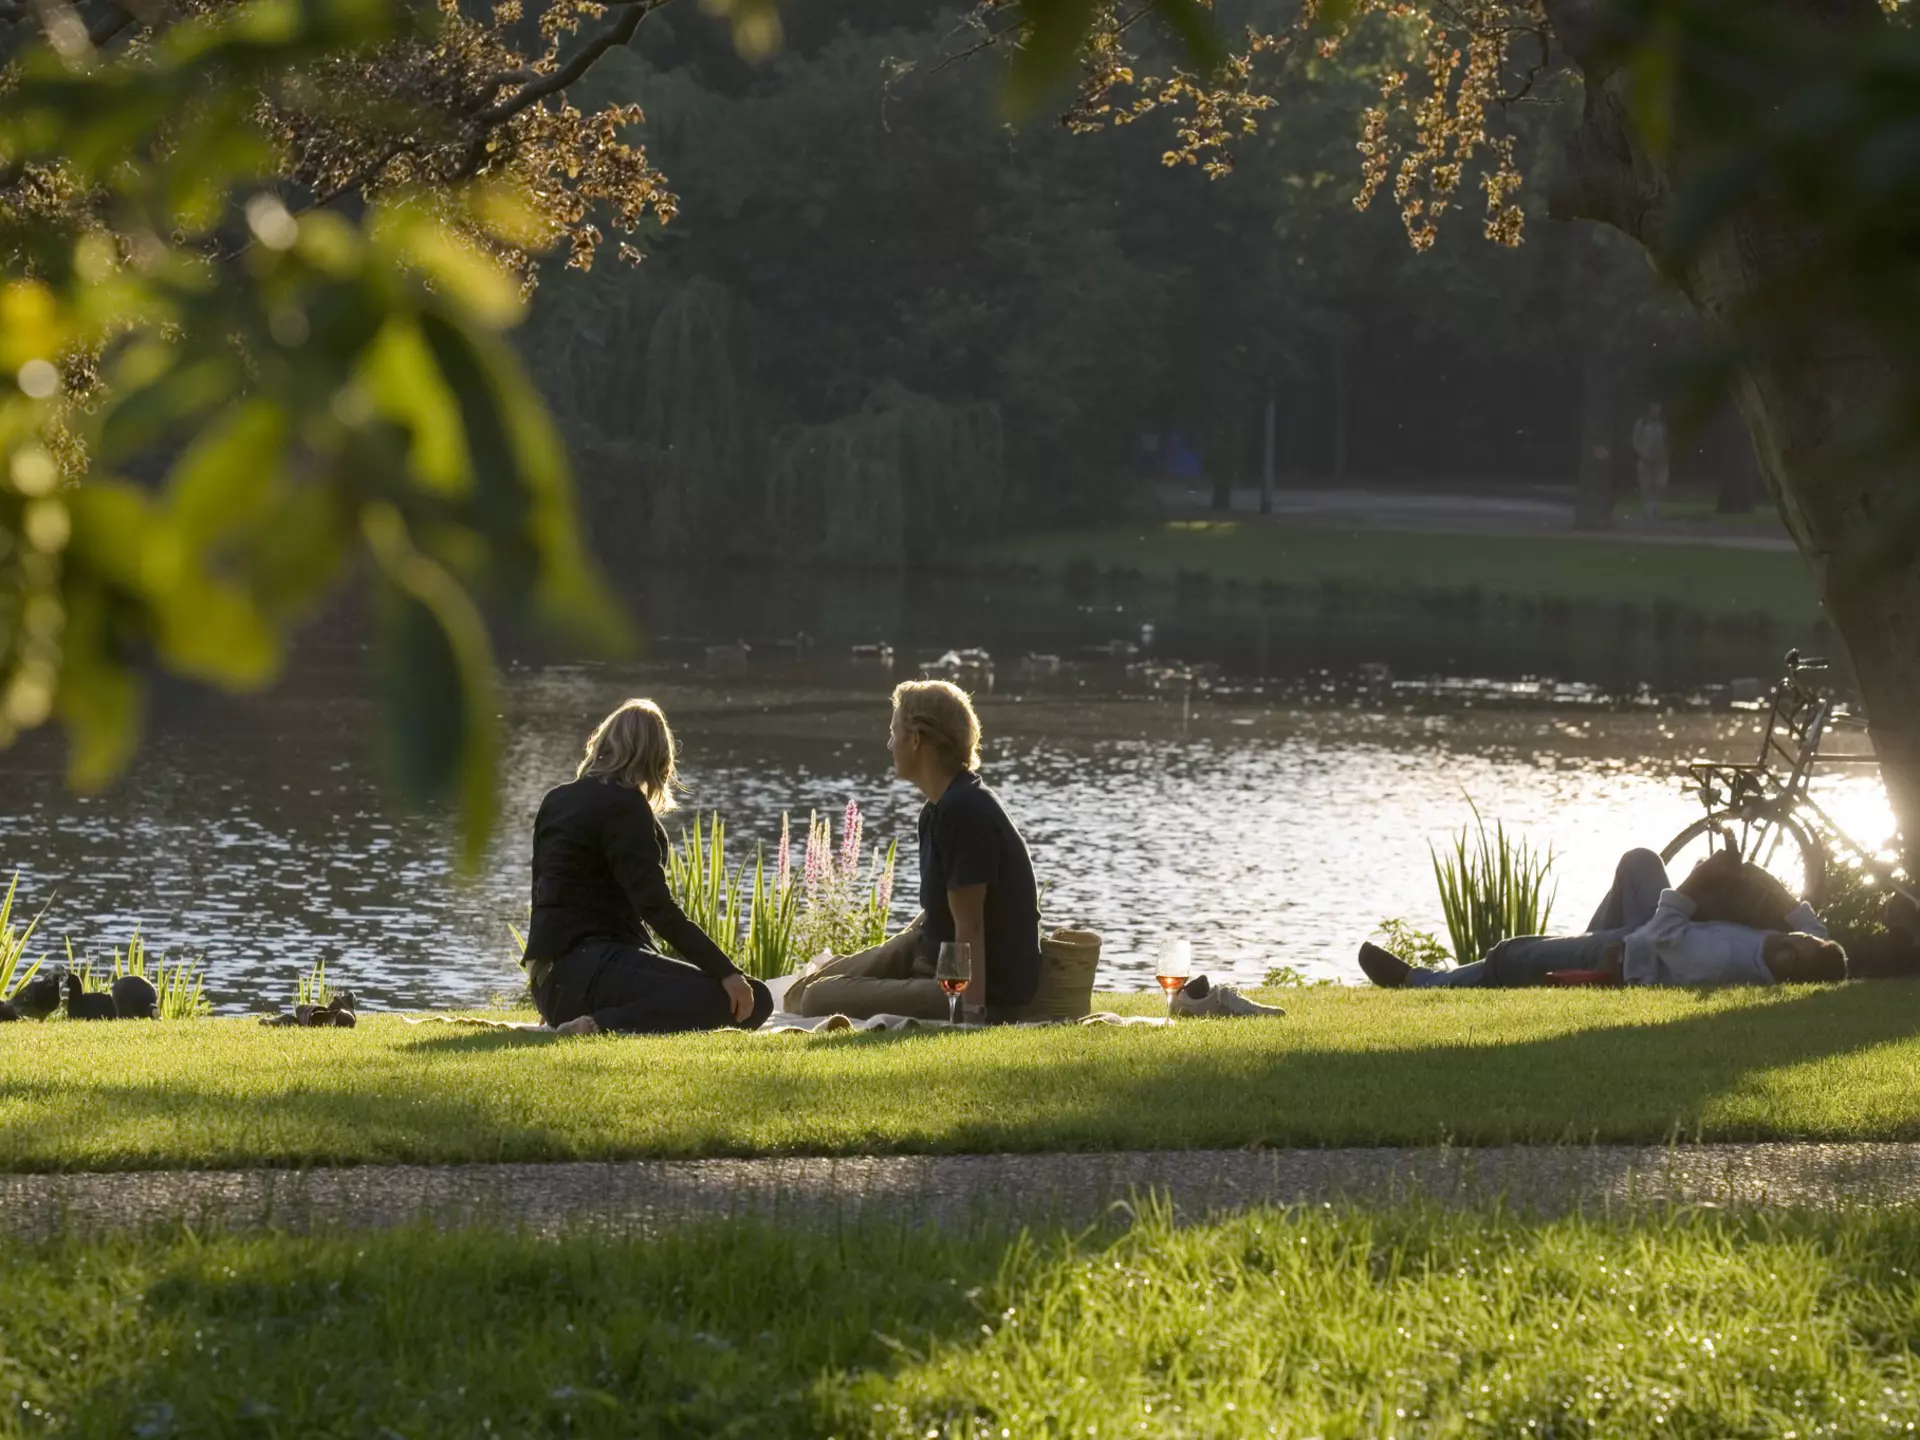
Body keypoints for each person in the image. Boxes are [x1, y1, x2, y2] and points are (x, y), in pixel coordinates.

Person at [783, 680, 1042, 1022]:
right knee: (802, 989)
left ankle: (940, 998)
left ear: (916, 739)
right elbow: (941, 911)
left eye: (894, 731)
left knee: (816, 998)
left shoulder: (965, 811)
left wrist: (973, 1015)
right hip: (929, 950)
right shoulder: (936, 809)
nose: (889, 743)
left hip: (971, 985)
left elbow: (971, 925)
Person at [523, 699, 772, 1036]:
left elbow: (546, 894)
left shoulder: (556, 799)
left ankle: (582, 1014)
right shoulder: (625, 806)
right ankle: (598, 1025)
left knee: (698, 987)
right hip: (588, 969)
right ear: (658, 758)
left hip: (550, 982)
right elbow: (656, 907)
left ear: (603, 744)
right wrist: (726, 971)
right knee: (752, 998)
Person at [1358, 847, 1849, 989]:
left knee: (1514, 955)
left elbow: (1661, 934)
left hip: (1641, 951)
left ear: (1788, 960)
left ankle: (1427, 984)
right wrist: (1767, 883)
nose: (1795, 937)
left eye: (1795, 944)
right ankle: (1586, 946)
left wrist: (1699, 879)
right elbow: (1816, 931)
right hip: (1661, 934)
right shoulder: (1804, 950)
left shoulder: (1720, 960)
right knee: (1640, 862)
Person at [1633, 402, 1670, 520]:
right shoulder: (1642, 423)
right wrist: (1642, 452)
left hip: (1661, 460)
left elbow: (1667, 440)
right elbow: (1636, 439)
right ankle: (1648, 510)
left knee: (1660, 484)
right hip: (1645, 459)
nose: (1656, 409)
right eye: (1654, 406)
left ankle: (1656, 507)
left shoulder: (1663, 423)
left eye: (1658, 406)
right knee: (1646, 486)